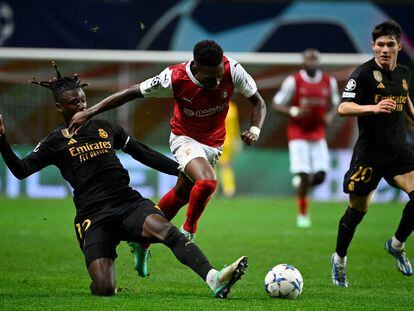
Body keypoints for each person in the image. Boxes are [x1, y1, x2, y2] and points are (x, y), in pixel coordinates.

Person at [0, 64, 248, 298]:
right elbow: (21, 170)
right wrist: (2, 140)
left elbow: (142, 153)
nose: (81, 106)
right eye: (73, 102)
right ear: (59, 107)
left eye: (83, 100)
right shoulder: (55, 142)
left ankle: (214, 278)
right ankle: (99, 281)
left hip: (127, 202)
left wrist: (181, 170)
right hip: (93, 214)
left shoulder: (104, 126)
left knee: (167, 231)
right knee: (105, 288)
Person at [69, 39, 266, 275]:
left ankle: (141, 244)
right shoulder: (174, 78)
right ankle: (188, 231)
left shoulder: (233, 70)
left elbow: (258, 103)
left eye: (218, 76)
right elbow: (131, 93)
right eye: (209, 78)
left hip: (214, 144)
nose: (215, 83)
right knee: (207, 182)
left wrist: (255, 129)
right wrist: (89, 112)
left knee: (182, 194)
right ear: (195, 67)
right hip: (185, 138)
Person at [331, 20, 414, 288]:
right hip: (369, 155)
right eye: (380, 45)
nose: (385, 49)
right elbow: (343, 108)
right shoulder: (363, 73)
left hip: (398, 152)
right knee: (357, 210)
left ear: (399, 46)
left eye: (390, 44)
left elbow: (405, 99)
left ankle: (396, 244)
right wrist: (372, 108)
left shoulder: (404, 73)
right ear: (373, 46)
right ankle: (340, 258)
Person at [272, 48, 339, 228]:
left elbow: (336, 102)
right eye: (308, 59)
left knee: (321, 175)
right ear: (303, 62)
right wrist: (294, 111)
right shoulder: (294, 81)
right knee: (303, 172)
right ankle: (302, 213)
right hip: (298, 133)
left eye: (314, 59)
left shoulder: (328, 81)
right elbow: (276, 104)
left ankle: (304, 182)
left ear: (319, 61)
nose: (311, 62)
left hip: (318, 133)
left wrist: (330, 116)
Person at [217, 100, 241, 197]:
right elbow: (235, 126)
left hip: (220, 141)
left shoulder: (214, 106)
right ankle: (229, 189)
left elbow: (234, 126)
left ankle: (217, 190)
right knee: (225, 166)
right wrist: (237, 140)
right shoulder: (232, 108)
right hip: (226, 141)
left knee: (216, 166)